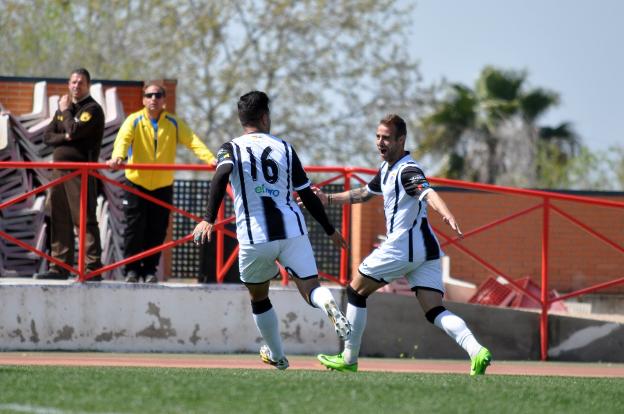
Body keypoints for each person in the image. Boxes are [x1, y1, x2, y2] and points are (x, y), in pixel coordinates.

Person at [314, 114, 492, 375]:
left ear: (401, 140)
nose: (380, 142)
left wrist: (446, 212)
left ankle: (349, 359)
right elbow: (364, 194)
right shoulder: (387, 169)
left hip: (403, 247)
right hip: (426, 248)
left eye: (386, 137)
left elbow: (428, 192)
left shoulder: (408, 170)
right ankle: (477, 351)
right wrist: (327, 199)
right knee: (434, 310)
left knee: (355, 292)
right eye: (377, 136)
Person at [193, 91, 351, 370]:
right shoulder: (285, 148)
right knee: (312, 288)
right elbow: (308, 196)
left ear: (242, 118)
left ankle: (277, 356)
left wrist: (208, 218)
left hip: (256, 236)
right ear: (265, 116)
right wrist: (329, 229)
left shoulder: (231, 147)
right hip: (293, 231)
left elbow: (220, 175)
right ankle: (327, 303)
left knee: (259, 296)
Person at [107, 82, 216, 283]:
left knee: (157, 230)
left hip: (162, 185)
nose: (153, 99)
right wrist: (118, 156)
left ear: (164, 100)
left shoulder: (173, 122)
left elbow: (192, 140)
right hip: (135, 183)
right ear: (143, 99)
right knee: (134, 227)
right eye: (149, 95)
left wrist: (210, 158)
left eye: (158, 95)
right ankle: (131, 270)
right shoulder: (134, 119)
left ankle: (149, 270)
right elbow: (122, 140)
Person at [34, 68, 104, 281]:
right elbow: (47, 136)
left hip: (80, 172)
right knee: (59, 218)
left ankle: (92, 269)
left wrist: (66, 121)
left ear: (88, 85)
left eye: (80, 82)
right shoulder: (66, 110)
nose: (76, 86)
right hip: (58, 172)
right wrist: (66, 132)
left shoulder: (92, 109)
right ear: (68, 84)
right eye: (73, 82)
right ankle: (59, 267)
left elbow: (73, 130)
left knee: (84, 219)